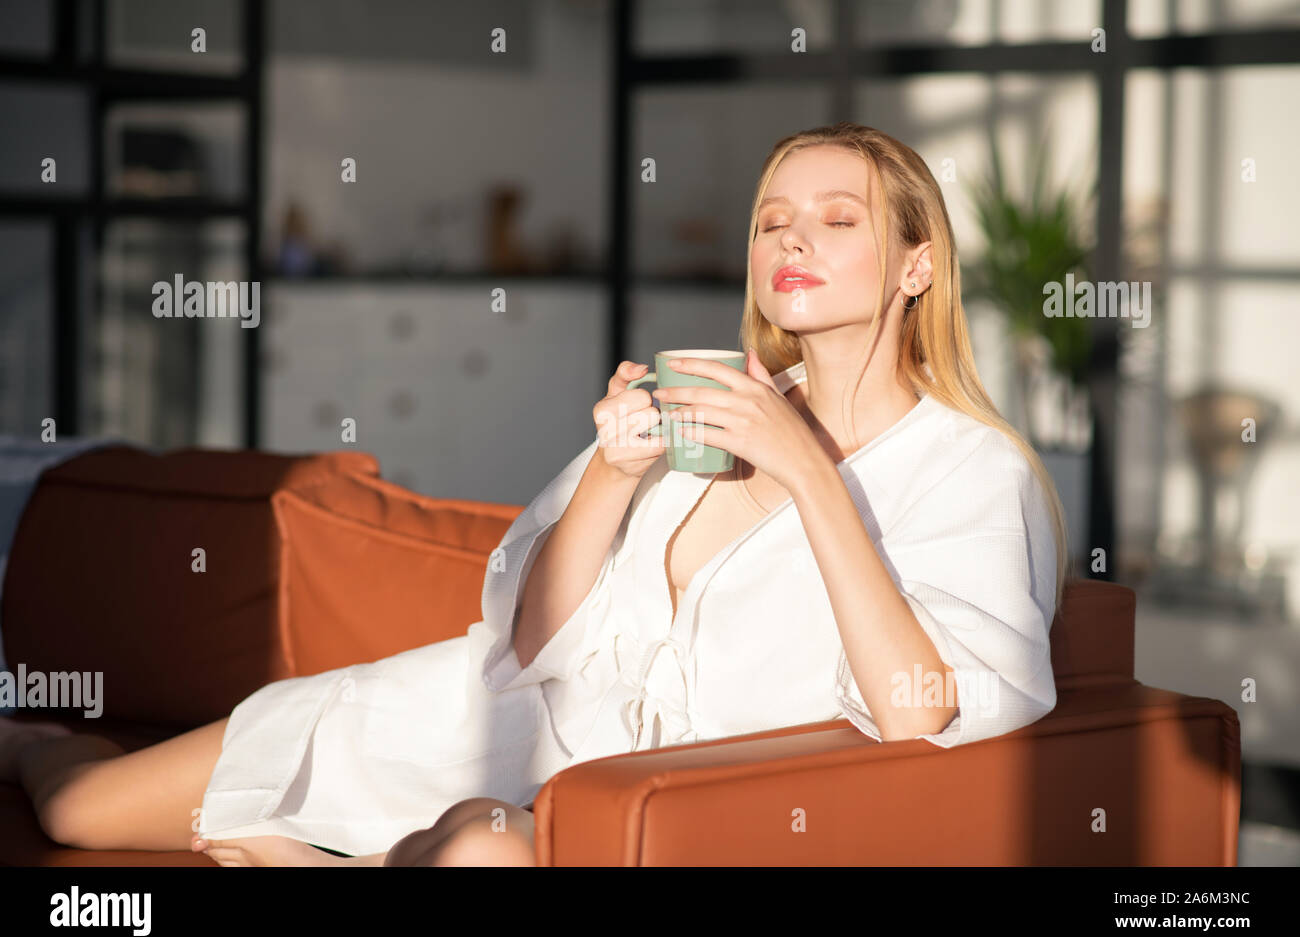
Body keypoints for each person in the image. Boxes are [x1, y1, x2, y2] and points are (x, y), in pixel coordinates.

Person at [0, 122, 1069, 866]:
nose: (789, 237)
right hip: (489, 725)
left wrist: (805, 470)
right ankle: (31, 737)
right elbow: (527, 637)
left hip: (626, 802)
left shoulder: (971, 468)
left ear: (916, 265)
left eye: (837, 219)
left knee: (482, 853)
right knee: (83, 810)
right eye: (771, 219)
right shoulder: (717, 405)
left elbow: (921, 710)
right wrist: (611, 468)